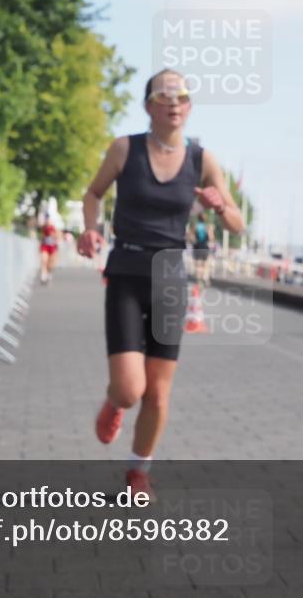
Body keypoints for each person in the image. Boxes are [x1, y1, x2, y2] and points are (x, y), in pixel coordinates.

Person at [77, 69, 244, 498]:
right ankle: (114, 402)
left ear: (189, 107)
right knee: (131, 388)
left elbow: (237, 224)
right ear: (149, 105)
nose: (174, 101)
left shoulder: (201, 160)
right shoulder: (124, 149)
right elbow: (93, 193)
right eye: (164, 95)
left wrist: (220, 203)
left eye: (182, 95)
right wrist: (91, 228)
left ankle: (138, 473)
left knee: (158, 392)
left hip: (171, 278)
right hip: (127, 272)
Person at [189, 212, 214, 287]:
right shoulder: (208, 227)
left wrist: (194, 242)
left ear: (198, 218)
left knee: (198, 266)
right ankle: (205, 278)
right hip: (205, 247)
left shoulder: (195, 226)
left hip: (197, 247)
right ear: (205, 219)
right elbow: (211, 238)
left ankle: (199, 281)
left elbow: (191, 237)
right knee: (206, 265)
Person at [39, 213, 61, 285]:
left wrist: (54, 235)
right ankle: (43, 276)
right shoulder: (44, 227)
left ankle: (49, 275)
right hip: (45, 246)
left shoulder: (55, 227)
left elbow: (58, 237)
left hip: (52, 247)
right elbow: (42, 237)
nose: (48, 221)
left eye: (49, 219)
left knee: (50, 264)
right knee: (43, 260)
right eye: (47, 219)